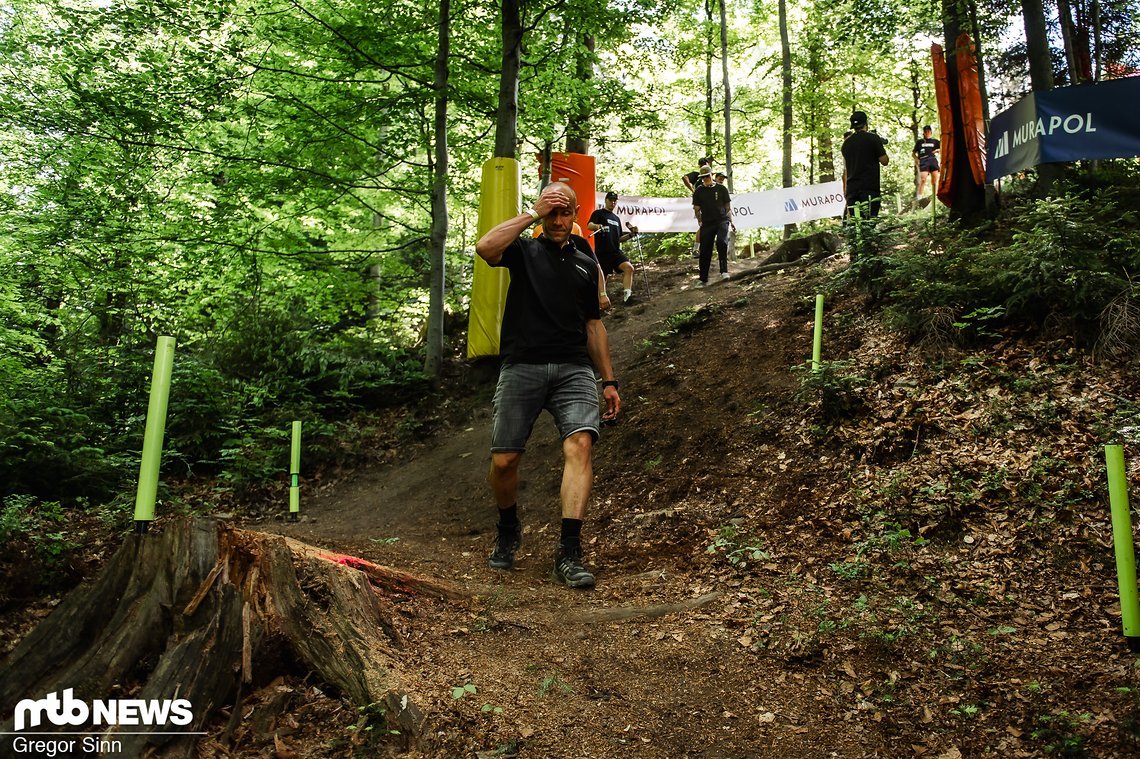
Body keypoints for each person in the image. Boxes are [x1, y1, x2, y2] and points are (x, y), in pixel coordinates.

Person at [474, 182, 622, 589]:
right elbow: (485, 248)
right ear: (542, 212)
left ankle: (569, 551)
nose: (558, 220)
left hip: (574, 368)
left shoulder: (585, 261)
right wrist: (531, 214)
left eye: (565, 212)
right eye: (551, 212)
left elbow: (594, 326)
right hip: (522, 364)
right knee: (504, 461)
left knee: (580, 445)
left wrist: (608, 380)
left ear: (576, 214)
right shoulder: (524, 250)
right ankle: (508, 529)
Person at [533, 221, 611, 311]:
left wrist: (602, 294)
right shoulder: (537, 236)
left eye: (565, 214)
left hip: (576, 297)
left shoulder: (579, 240)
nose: (558, 223)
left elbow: (596, 268)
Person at [587, 191, 639, 304]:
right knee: (602, 278)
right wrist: (598, 226)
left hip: (615, 251)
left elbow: (619, 238)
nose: (613, 202)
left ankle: (627, 297)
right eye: (611, 200)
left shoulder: (616, 218)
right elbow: (589, 225)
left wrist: (631, 234)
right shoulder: (599, 213)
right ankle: (599, 301)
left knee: (629, 268)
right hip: (602, 251)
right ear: (606, 200)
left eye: (615, 200)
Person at [840, 110, 889, 218]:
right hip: (869, 188)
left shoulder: (846, 144)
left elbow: (846, 170)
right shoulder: (873, 138)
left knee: (857, 225)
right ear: (866, 123)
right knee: (869, 222)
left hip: (852, 191)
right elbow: (884, 161)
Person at [691, 165, 734, 286]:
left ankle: (724, 271)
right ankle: (703, 278)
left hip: (721, 220)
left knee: (721, 242)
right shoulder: (699, 191)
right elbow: (697, 208)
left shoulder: (721, 189)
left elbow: (727, 206)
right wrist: (700, 220)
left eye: (707, 176)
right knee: (705, 250)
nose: (706, 179)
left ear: (712, 175)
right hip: (707, 223)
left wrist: (730, 220)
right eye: (703, 177)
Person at [913, 125, 940, 202]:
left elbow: (944, 147)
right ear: (923, 133)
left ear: (931, 132)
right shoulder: (919, 142)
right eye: (926, 131)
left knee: (934, 180)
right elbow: (913, 153)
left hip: (933, 160)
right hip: (923, 161)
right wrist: (916, 160)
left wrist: (937, 151)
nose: (927, 133)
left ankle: (935, 197)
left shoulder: (935, 141)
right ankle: (919, 198)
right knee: (923, 179)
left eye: (929, 131)